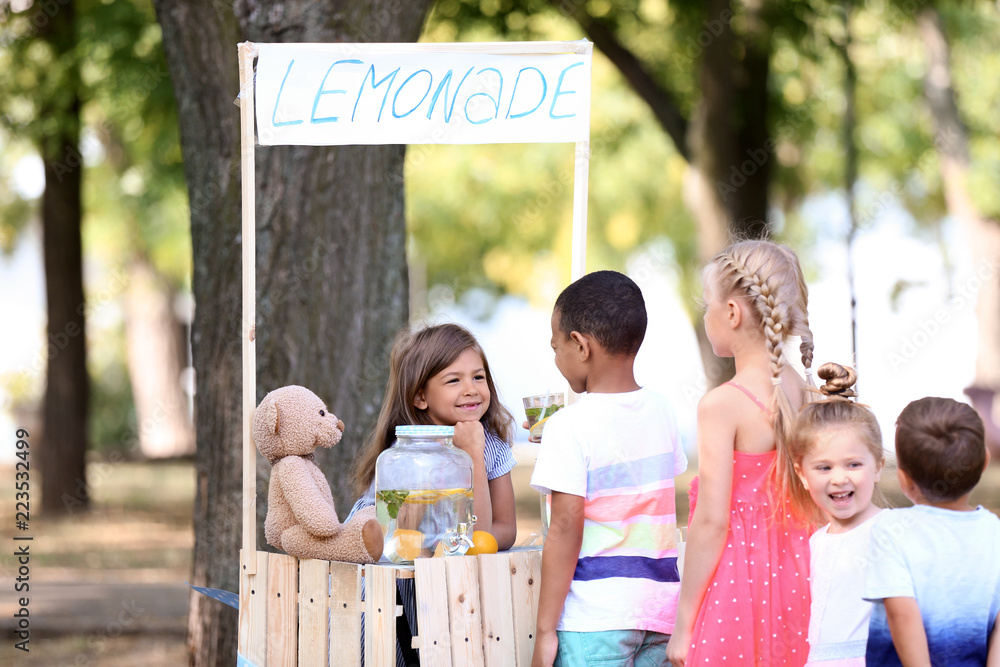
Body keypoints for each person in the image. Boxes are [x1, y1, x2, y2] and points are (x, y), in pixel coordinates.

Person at [667, 239, 816, 667]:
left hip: (742, 585)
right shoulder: (804, 391)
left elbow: (712, 523)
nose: (704, 314)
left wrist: (684, 622)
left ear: (731, 313)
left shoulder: (722, 405)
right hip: (803, 580)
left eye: (706, 304)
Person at [529, 270, 687, 667]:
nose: (556, 359)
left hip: (594, 619)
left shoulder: (567, 425)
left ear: (580, 345)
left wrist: (545, 629)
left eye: (556, 347)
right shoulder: (663, 411)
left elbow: (565, 527)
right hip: (661, 613)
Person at [347, 322, 518, 666]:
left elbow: (492, 532)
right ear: (420, 396)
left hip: (456, 594)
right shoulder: (404, 458)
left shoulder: (492, 447)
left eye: (478, 377)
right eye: (454, 380)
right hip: (397, 590)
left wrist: (473, 454)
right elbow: (389, 536)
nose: (470, 389)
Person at [864, 396, 1000, 666]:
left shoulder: (891, 530)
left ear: (903, 478)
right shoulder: (995, 532)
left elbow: (902, 616)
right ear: (985, 462)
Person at [789, 362, 886, 666]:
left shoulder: (891, 531)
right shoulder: (815, 542)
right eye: (824, 467)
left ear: (879, 467)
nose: (839, 478)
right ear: (802, 474)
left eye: (853, 464)